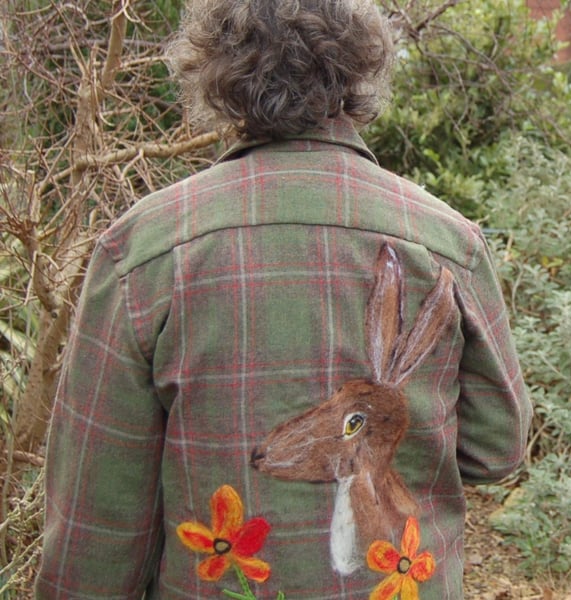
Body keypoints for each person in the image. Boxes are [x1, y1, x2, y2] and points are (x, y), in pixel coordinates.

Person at [35, 0, 532, 598]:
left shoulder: (143, 250)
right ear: (359, 72)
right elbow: (498, 452)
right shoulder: (449, 242)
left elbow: (100, 517)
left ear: (219, 77)